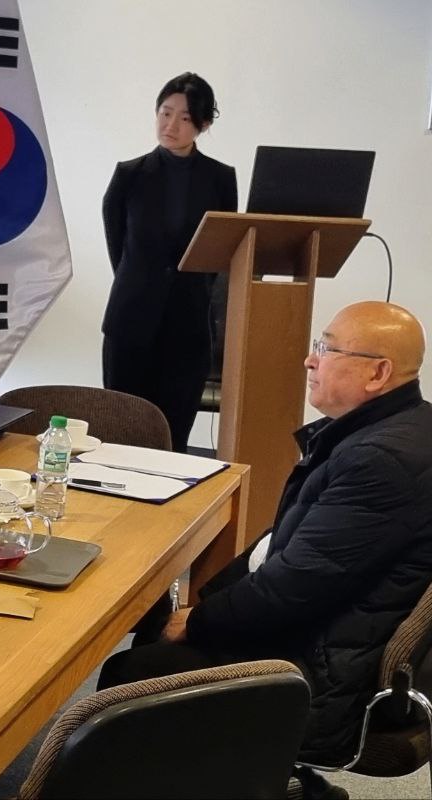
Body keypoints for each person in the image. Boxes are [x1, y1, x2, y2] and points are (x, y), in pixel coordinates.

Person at [97, 302, 432, 798]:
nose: (310, 360)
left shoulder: (380, 460)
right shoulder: (397, 430)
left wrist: (199, 620)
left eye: (327, 348)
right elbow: (288, 548)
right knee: (159, 633)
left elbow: (292, 591)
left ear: (378, 373)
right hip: (332, 642)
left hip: (322, 681)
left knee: (132, 676)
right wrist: (206, 605)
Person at [101, 72, 237, 452]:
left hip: (188, 325)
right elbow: (120, 250)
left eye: (185, 118)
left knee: (174, 438)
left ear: (204, 124)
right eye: (165, 113)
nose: (170, 125)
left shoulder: (220, 179)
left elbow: (221, 250)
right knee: (121, 432)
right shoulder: (128, 175)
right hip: (130, 321)